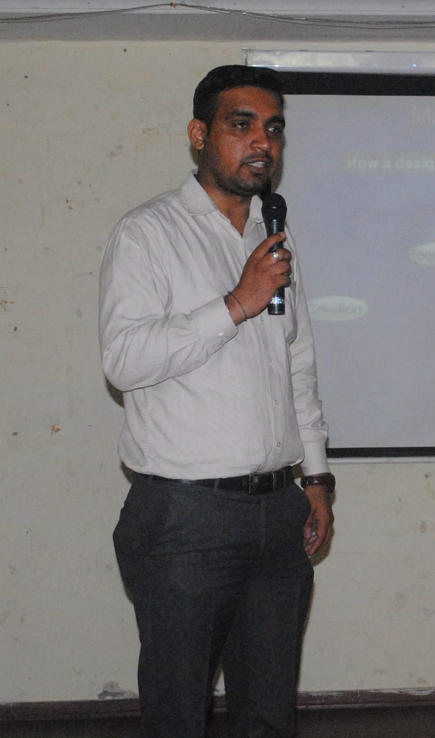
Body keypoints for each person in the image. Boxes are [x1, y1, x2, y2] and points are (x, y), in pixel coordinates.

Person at [99, 65, 334, 738]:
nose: (263, 142)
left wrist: (316, 479)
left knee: (269, 712)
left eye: (273, 129)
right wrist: (235, 304)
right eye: (242, 125)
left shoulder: (273, 236)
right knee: (178, 712)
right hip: (185, 517)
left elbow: (297, 363)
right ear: (199, 135)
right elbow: (123, 361)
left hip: (279, 511)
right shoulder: (148, 233)